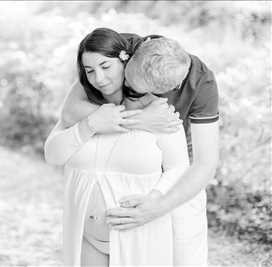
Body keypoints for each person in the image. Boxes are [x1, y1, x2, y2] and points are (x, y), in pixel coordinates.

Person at [61, 30, 219, 266]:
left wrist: (156, 208)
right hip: (130, 171)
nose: (123, 86)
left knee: (185, 256)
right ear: (130, 57)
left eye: (134, 89)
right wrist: (141, 120)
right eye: (127, 78)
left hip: (179, 180)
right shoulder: (122, 46)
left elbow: (205, 164)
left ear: (170, 89)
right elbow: (70, 111)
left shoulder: (201, 82)